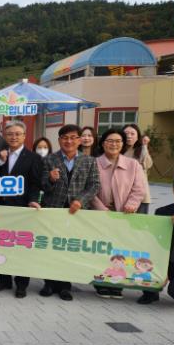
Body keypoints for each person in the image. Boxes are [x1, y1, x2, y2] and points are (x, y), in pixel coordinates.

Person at [40, 125, 100, 301]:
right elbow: (42, 185)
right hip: (53, 210)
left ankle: (65, 286)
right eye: (65, 138)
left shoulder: (89, 161)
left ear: (79, 140)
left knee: (68, 248)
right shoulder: (49, 160)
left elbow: (94, 185)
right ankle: (49, 283)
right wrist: (50, 179)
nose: (69, 141)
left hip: (76, 212)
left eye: (73, 137)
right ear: (59, 140)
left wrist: (80, 200)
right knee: (51, 247)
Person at [0, 121, 43, 298]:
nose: (14, 137)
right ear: (5, 136)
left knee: (21, 247)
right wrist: (1, 162)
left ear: (24, 136)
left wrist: (33, 201)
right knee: (2, 244)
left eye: (17, 134)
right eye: (10, 134)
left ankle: (21, 284)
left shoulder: (34, 158)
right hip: (1, 208)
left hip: (22, 209)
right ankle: (4, 280)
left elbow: (35, 183)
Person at [91, 128, 145, 299]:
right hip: (100, 214)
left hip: (125, 215)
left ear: (123, 144)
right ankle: (101, 283)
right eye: (110, 141)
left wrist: (131, 205)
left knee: (120, 251)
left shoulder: (133, 165)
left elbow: (139, 189)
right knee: (100, 249)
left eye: (118, 141)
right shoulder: (93, 163)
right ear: (102, 143)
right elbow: (89, 189)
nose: (114, 144)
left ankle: (117, 284)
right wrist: (102, 209)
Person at [146, 174, 174, 306]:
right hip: (167, 261)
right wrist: (162, 269)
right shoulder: (162, 211)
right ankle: (151, 294)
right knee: (143, 267)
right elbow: (154, 240)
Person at [123, 124, 153, 214]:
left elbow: (148, 164)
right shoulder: (118, 151)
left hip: (140, 196)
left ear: (137, 137)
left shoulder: (141, 150)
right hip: (122, 195)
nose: (129, 136)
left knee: (139, 222)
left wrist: (145, 146)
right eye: (126, 133)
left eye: (132, 134)